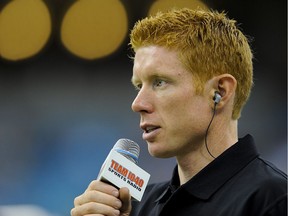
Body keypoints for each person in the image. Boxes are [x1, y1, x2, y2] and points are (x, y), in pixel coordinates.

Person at [70, 8, 287, 216]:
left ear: (219, 91)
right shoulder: (136, 207)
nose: (138, 104)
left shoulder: (273, 199)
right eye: (139, 86)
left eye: (160, 82)